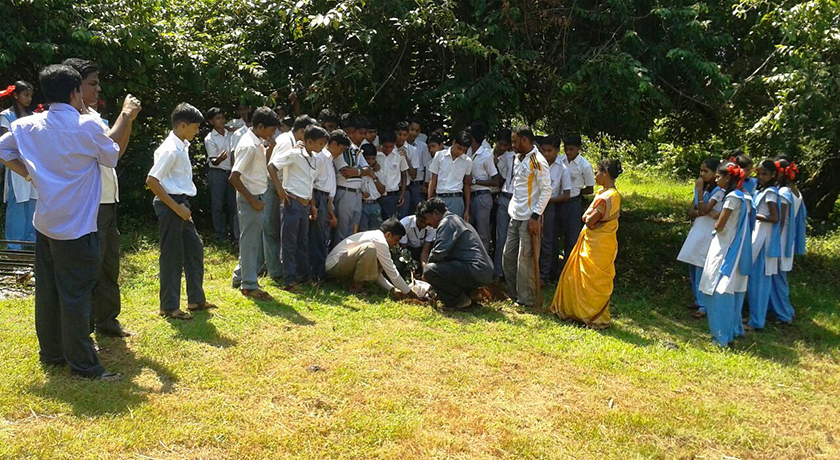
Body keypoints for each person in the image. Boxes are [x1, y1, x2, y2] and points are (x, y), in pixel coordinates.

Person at [0, 64, 140, 380]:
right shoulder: (85, 127)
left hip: (46, 222)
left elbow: (3, 150)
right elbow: (112, 154)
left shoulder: (27, 126)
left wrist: (29, 173)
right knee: (76, 295)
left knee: (48, 292)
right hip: (77, 226)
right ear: (75, 92)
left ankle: (51, 354)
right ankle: (84, 365)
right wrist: (127, 116)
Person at [63, 57, 142, 338]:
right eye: (92, 84)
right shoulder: (76, 119)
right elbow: (107, 146)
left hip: (108, 202)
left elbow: (116, 152)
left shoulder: (93, 116)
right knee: (90, 269)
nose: (98, 90)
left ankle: (107, 321)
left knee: (109, 266)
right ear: (75, 86)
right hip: (90, 205)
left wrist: (128, 119)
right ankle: (83, 332)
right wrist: (124, 115)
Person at [147, 103, 217, 320]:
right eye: (195, 127)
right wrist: (176, 207)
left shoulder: (181, 145)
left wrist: (181, 207)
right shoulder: (170, 149)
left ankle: (196, 300)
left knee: (194, 248)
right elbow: (152, 180)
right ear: (183, 125)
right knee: (172, 256)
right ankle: (169, 307)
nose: (197, 132)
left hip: (181, 204)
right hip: (171, 205)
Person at [551, 159, 623, 329]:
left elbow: (589, 220)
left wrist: (587, 217)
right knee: (587, 278)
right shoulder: (610, 194)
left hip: (597, 244)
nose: (595, 176)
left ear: (605, 173)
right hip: (603, 243)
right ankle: (582, 313)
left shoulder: (606, 197)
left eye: (597, 172)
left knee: (589, 278)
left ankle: (588, 314)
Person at [697, 162, 753, 347]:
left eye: (719, 176)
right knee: (730, 292)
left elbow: (719, 225)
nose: (716, 179)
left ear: (728, 178)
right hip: (736, 247)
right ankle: (728, 334)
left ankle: (720, 337)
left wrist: (715, 222)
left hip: (724, 247)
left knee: (717, 290)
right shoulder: (745, 197)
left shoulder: (732, 199)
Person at [268, 125, 329, 290]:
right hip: (292, 202)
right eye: (320, 143)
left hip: (304, 205)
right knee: (289, 243)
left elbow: (309, 183)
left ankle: (303, 277)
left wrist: (312, 205)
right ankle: (289, 280)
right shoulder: (295, 154)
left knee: (302, 242)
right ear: (309, 141)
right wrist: (280, 189)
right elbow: (272, 166)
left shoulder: (313, 157)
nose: (322, 147)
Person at [229, 107, 281, 300]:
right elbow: (234, 177)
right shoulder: (249, 145)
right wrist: (252, 200)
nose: (272, 133)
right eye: (271, 129)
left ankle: (240, 276)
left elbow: (259, 166)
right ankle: (249, 285)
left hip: (257, 196)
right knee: (250, 242)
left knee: (250, 239)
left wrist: (271, 148)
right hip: (250, 197)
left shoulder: (258, 142)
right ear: (260, 126)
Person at [503, 126, 552, 307]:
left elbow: (547, 190)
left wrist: (535, 216)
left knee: (525, 261)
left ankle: (526, 300)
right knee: (508, 258)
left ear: (525, 140)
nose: (513, 145)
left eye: (515, 141)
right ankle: (514, 294)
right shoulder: (517, 158)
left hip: (529, 217)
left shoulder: (537, 161)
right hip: (514, 214)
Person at [263, 114, 317, 282]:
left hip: (286, 187)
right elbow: (272, 166)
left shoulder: (298, 144)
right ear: (302, 131)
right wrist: (280, 190)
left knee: (286, 233)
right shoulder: (287, 141)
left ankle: (283, 268)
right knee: (271, 229)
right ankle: (276, 271)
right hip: (275, 185)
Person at [419, 198, 493, 310]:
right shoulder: (455, 220)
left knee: (430, 270)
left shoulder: (447, 223)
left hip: (475, 269)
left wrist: (426, 275)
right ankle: (469, 296)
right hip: (482, 270)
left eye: (427, 219)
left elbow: (438, 254)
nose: (427, 223)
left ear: (435, 213)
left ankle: (458, 301)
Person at [676, 158, 724, 318]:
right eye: (701, 171)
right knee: (692, 264)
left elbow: (703, 208)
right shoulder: (703, 190)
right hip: (698, 230)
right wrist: (702, 208)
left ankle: (704, 305)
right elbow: (692, 211)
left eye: (706, 171)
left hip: (707, 233)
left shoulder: (718, 192)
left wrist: (700, 195)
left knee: (702, 267)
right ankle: (697, 299)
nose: (702, 174)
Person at [326, 218, 412, 296]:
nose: (396, 244)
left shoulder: (378, 239)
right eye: (396, 240)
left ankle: (354, 285)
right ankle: (356, 287)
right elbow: (391, 271)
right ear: (388, 235)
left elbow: (377, 273)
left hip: (340, 265)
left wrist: (392, 290)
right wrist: (409, 292)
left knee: (376, 258)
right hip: (334, 265)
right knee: (369, 248)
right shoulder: (380, 241)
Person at [0, 81, 38, 249]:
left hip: (34, 164)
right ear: (16, 95)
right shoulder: (6, 116)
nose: (29, 99)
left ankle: (31, 242)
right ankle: (14, 245)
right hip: (16, 165)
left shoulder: (34, 116)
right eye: (26, 95)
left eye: (31, 95)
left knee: (33, 202)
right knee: (17, 205)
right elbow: (6, 143)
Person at [309, 129, 350, 282]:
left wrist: (331, 210)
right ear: (333, 144)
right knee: (317, 238)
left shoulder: (330, 160)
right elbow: (312, 183)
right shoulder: (320, 157)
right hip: (319, 197)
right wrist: (314, 205)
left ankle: (319, 273)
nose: (341, 152)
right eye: (341, 148)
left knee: (323, 237)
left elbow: (329, 190)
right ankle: (315, 275)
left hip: (326, 200)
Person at [769, 158, 806, 325]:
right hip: (788, 240)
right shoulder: (795, 190)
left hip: (781, 239)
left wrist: (773, 241)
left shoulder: (783, 192)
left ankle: (783, 314)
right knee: (779, 278)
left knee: (777, 278)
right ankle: (785, 310)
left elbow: (781, 220)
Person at [746, 159, 782, 330]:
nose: (760, 177)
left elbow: (775, 218)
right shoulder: (763, 190)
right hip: (758, 238)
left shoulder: (771, 193)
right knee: (754, 283)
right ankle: (755, 318)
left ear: (773, 175)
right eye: (758, 173)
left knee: (759, 284)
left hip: (763, 242)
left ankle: (757, 321)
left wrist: (754, 215)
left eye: (764, 174)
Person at [331, 116, 373, 246]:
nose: (363, 137)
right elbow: (345, 172)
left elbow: (368, 169)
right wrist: (361, 171)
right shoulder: (341, 149)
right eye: (360, 133)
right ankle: (337, 262)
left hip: (357, 193)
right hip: (345, 192)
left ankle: (348, 261)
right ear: (350, 132)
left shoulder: (357, 149)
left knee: (353, 232)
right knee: (341, 232)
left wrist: (358, 171)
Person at [558, 134, 595, 270]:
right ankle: (553, 269)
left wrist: (578, 192)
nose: (568, 153)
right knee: (553, 234)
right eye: (566, 149)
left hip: (573, 203)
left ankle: (569, 270)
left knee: (571, 237)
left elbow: (590, 188)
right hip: (557, 201)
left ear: (578, 148)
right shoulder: (560, 161)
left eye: (571, 149)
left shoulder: (584, 165)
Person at [538, 135, 571, 284]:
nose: (546, 154)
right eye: (543, 150)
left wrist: (547, 200)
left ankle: (544, 275)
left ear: (557, 150)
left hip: (550, 206)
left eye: (549, 150)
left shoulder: (563, 168)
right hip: (532, 204)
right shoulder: (535, 162)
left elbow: (566, 195)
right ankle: (530, 273)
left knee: (547, 240)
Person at [203, 107, 238, 245]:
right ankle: (221, 236)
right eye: (217, 118)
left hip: (231, 173)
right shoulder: (210, 138)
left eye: (222, 117)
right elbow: (213, 161)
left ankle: (234, 236)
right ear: (211, 121)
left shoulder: (231, 133)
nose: (221, 120)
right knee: (218, 206)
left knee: (233, 205)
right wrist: (219, 159)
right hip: (217, 173)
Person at [467, 121, 500, 253]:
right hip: (471, 196)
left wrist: (475, 181)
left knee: (483, 233)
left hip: (482, 196)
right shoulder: (468, 152)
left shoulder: (486, 155)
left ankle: (485, 264)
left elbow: (496, 180)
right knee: (470, 232)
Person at [427, 130, 473, 219]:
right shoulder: (439, 156)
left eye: (464, 150)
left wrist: (467, 209)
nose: (460, 152)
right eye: (459, 148)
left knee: (455, 229)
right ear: (453, 142)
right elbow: (433, 179)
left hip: (456, 198)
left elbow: (467, 185)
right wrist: (429, 201)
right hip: (439, 197)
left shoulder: (467, 161)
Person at [493, 129, 515, 281]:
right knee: (501, 238)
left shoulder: (533, 159)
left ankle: (511, 274)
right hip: (505, 197)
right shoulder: (506, 157)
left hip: (519, 201)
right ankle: (498, 272)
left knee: (515, 240)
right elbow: (501, 176)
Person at [376, 129, 410, 220]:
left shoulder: (399, 155)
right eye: (386, 146)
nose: (388, 149)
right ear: (381, 144)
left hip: (394, 195)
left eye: (391, 146)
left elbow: (404, 175)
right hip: (379, 196)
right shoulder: (376, 155)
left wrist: (402, 194)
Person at [399, 203, 436, 273]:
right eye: (421, 221)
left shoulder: (432, 227)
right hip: (408, 250)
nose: (424, 224)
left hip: (422, 251)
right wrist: (411, 267)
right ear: (416, 216)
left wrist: (425, 271)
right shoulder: (405, 224)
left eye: (426, 222)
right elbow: (404, 250)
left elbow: (425, 251)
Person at [394, 121, 420, 216]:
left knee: (403, 219)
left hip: (405, 190)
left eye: (405, 135)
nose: (401, 137)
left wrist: (406, 158)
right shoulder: (388, 148)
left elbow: (413, 176)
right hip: (389, 191)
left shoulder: (412, 151)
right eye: (399, 134)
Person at [359, 144, 385, 231]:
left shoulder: (379, 171)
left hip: (375, 204)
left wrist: (373, 176)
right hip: (362, 204)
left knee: (375, 231)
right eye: (367, 159)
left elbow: (382, 190)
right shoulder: (358, 172)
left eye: (373, 159)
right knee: (363, 231)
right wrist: (361, 194)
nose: (370, 161)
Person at [407, 117, 430, 210]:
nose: (414, 133)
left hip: (418, 185)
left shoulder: (422, 146)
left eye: (417, 131)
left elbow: (426, 167)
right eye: (412, 129)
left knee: (418, 212)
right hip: (405, 186)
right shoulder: (401, 145)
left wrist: (425, 185)